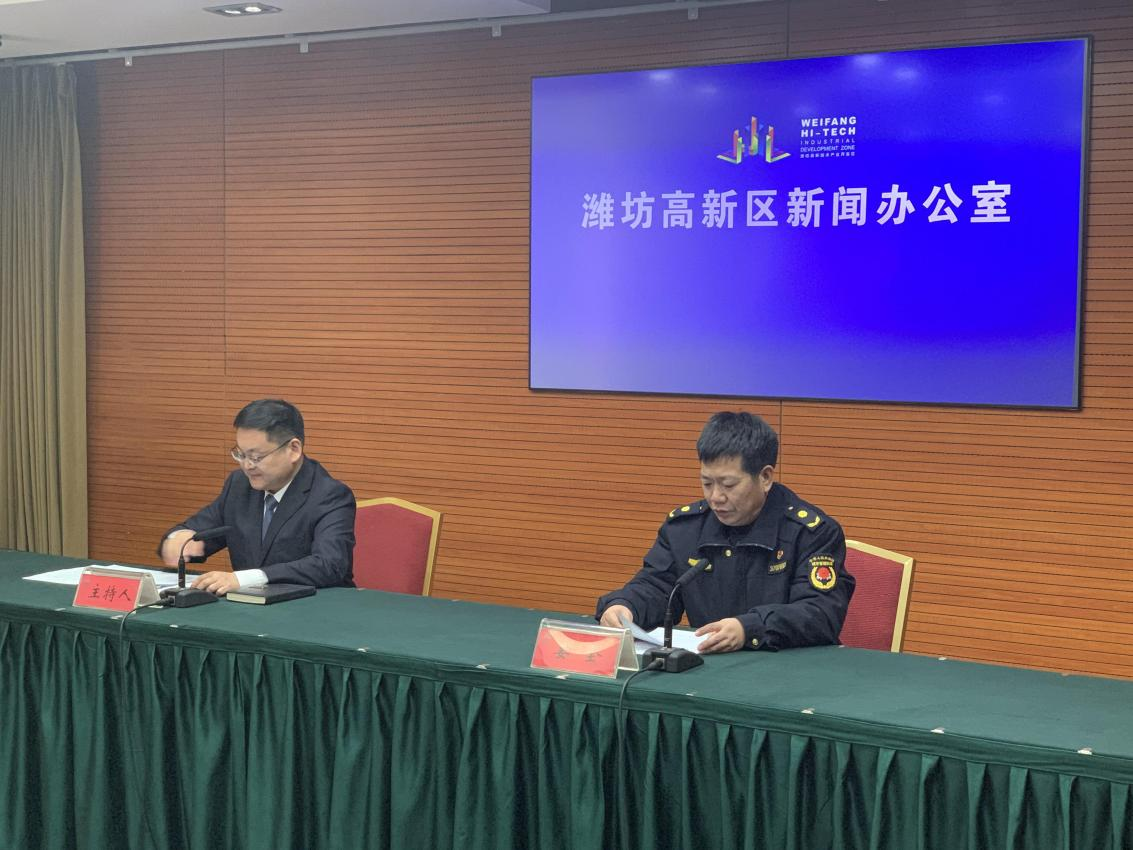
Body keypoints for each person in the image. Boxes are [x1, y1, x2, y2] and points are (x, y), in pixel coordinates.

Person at [596, 411, 854, 653]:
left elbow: (820, 613)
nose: (715, 497)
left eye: (728, 485)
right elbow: (656, 586)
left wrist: (748, 629)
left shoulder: (811, 533)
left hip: (788, 669)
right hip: (707, 667)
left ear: (765, 477)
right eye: (707, 483)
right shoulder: (685, 529)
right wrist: (626, 606)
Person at [158, 398, 356, 594]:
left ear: (293, 449)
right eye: (241, 454)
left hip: (313, 607)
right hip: (250, 607)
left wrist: (246, 579)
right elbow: (199, 530)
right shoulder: (239, 485)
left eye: (256, 457)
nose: (247, 465)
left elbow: (329, 564)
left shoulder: (329, 495)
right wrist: (178, 539)